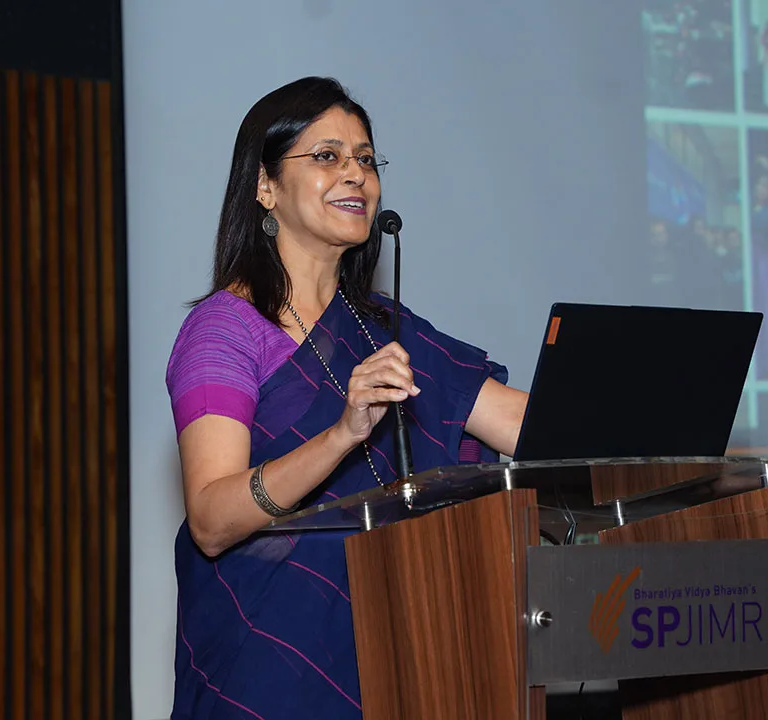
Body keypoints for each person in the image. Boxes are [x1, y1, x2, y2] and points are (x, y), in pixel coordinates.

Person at [163, 77, 528, 718]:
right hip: (269, 668)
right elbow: (213, 521)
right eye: (327, 156)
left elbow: (521, 426)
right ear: (265, 186)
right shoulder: (224, 330)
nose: (355, 174)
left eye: (365, 159)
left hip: (393, 655)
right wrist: (341, 435)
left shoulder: (384, 327)